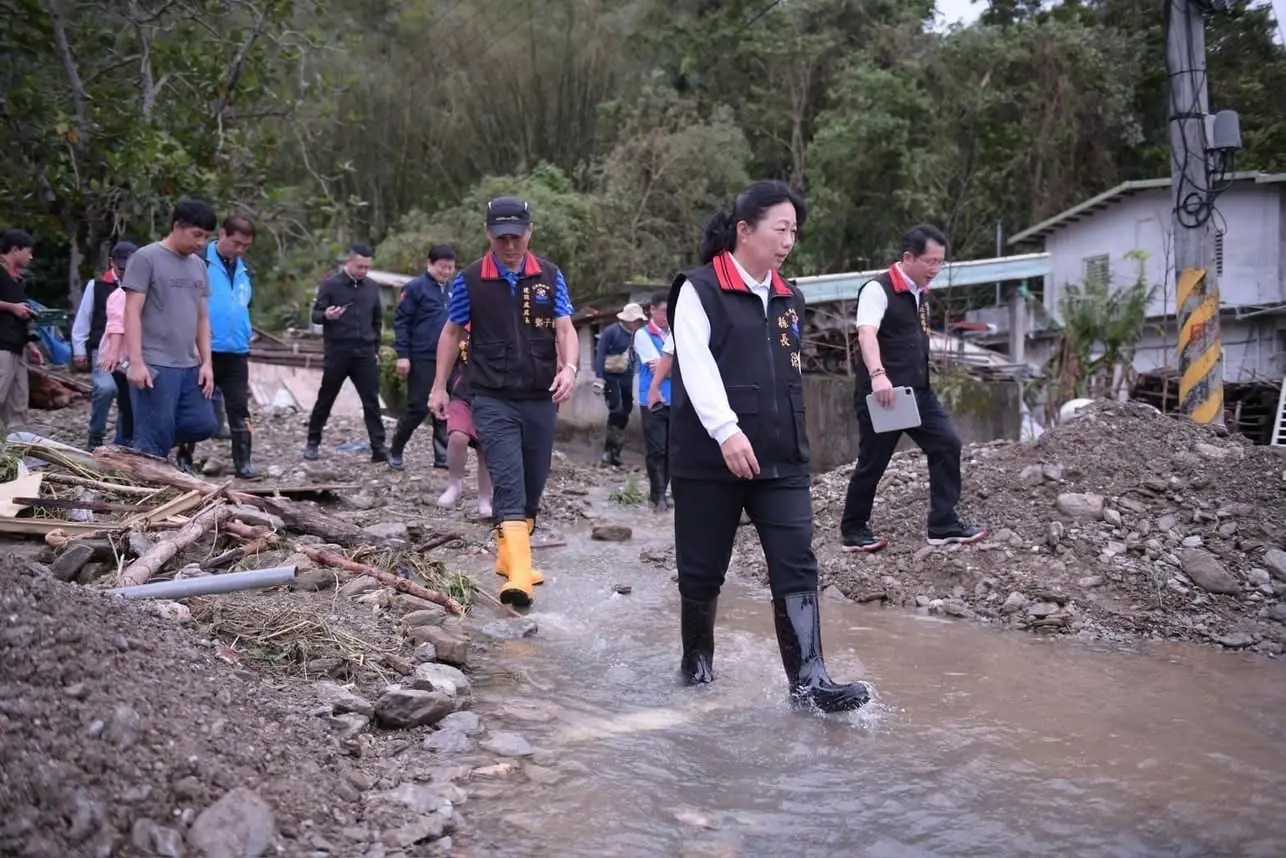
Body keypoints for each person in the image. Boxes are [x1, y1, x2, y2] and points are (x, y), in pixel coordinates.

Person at [668, 180, 869, 713]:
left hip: (781, 459)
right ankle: (697, 661)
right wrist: (726, 430)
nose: (788, 241)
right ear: (744, 230)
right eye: (780, 229)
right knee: (703, 566)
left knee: (797, 562)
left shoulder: (789, 297)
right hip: (710, 457)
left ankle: (811, 682)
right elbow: (696, 364)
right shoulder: (699, 289)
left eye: (794, 232)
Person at [429, 196, 578, 608]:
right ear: (488, 234)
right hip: (491, 396)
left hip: (540, 396)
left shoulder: (550, 276)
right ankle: (518, 577)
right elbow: (451, 333)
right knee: (508, 481)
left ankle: (509, 555)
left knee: (534, 481)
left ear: (530, 232)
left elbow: (565, 328)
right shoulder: (471, 279)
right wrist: (439, 387)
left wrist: (570, 369)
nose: (509, 245)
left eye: (516, 236)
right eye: (501, 238)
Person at [838, 224, 987, 551]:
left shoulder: (920, 293)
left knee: (947, 443)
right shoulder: (877, 290)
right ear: (908, 257)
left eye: (940, 262)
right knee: (874, 462)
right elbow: (866, 333)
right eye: (930, 262)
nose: (935, 269)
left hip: (918, 393)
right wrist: (878, 374)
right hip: (885, 396)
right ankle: (853, 529)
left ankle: (943, 523)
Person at [122, 199, 220, 462]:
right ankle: (146, 475)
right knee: (154, 440)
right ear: (178, 226)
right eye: (196, 235)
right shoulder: (146, 258)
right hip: (155, 363)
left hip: (188, 363)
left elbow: (202, 317)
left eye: (206, 237)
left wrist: (207, 362)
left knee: (204, 423)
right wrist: (136, 362)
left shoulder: (198, 265)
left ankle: (138, 446)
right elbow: (131, 311)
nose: (201, 243)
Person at [186, 215, 260, 477]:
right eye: (236, 243)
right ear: (223, 234)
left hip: (236, 351)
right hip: (204, 348)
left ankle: (244, 461)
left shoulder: (245, 271)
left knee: (240, 408)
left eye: (245, 246)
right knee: (194, 405)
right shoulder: (200, 261)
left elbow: (244, 306)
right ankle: (185, 458)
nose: (239, 250)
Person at [304, 244, 387, 462]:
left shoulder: (372, 287)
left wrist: (375, 347)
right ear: (348, 263)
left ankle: (378, 447)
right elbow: (315, 315)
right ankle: (313, 441)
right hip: (338, 351)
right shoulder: (331, 285)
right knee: (326, 397)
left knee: (371, 400)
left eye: (367, 267)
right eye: (359, 266)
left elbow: (377, 320)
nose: (363, 271)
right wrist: (327, 316)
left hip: (365, 353)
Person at [389, 244, 457, 471]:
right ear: (429, 264)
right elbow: (401, 323)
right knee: (418, 406)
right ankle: (396, 448)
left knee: (445, 406)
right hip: (422, 355)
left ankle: (442, 455)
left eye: (450, 268)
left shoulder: (455, 290)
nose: (446, 272)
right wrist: (403, 355)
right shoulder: (415, 288)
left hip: (449, 357)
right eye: (442, 267)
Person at [71, 241, 136, 449]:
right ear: (112, 262)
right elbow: (84, 317)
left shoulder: (142, 286)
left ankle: (124, 439)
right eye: (121, 267)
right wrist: (79, 348)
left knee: (129, 395)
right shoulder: (97, 285)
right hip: (104, 346)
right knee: (106, 388)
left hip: (131, 349)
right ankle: (96, 433)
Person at [435, 325, 493, 517]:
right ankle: (454, 484)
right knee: (458, 436)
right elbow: (447, 351)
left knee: (487, 449)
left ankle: (485, 497)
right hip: (463, 394)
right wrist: (439, 388)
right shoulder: (461, 326)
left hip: (494, 396)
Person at [0, 228, 44, 431]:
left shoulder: (16, 278)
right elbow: (14, 308)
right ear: (15, 249)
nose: (30, 257)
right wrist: (11, 307)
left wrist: (31, 345)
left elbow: (22, 312)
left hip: (17, 344)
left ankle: (18, 451)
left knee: (18, 400)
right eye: (28, 251)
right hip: (1, 345)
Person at [593, 303, 645, 465]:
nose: (638, 323)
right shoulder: (612, 331)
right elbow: (600, 353)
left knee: (626, 410)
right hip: (611, 376)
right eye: (635, 320)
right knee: (616, 409)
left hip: (626, 376)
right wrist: (599, 377)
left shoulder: (637, 335)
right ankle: (608, 451)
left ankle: (616, 451)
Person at [633, 293, 672, 512]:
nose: (667, 316)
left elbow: (666, 367)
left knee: (672, 451)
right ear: (652, 310)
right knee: (657, 450)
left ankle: (662, 492)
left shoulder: (675, 333)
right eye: (664, 311)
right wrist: (675, 367)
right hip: (653, 400)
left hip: (676, 400)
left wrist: (668, 367)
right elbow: (657, 368)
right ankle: (657, 495)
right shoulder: (643, 335)